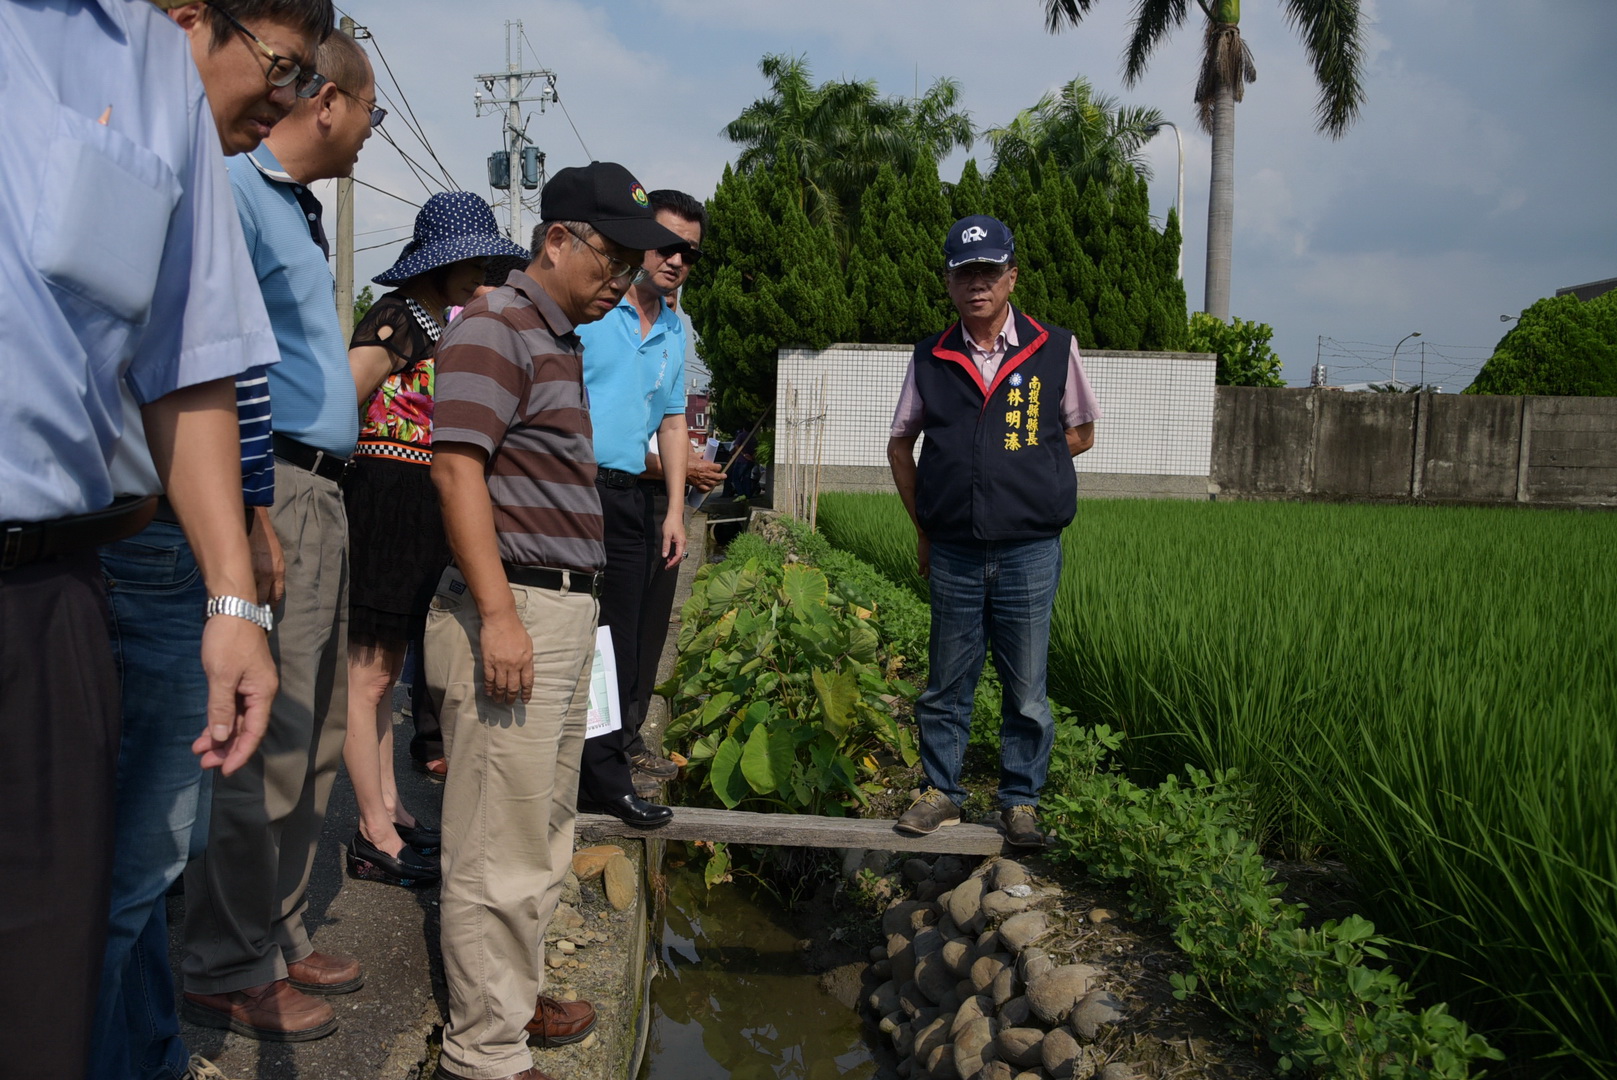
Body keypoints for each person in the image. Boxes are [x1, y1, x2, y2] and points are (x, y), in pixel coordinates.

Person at [0, 2, 283, 1077]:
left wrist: (232, 598)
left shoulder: (150, 64)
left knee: (41, 989)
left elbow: (190, 357)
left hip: (44, 597)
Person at [86, 1, 334, 1077]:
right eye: (279, 69)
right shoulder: (128, 134)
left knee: (149, 861)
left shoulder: (191, 168)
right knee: (129, 863)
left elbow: (210, 374)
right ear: (191, 22)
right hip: (120, 544)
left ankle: (141, 1049)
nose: (282, 101)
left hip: (177, 534)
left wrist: (240, 550)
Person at [427, 161, 683, 1080]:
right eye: (609, 258)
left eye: (629, 264)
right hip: (518, 605)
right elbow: (456, 468)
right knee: (497, 840)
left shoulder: (561, 337)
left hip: (563, 608)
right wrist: (497, 616)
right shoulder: (496, 326)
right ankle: (483, 1054)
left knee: (539, 828)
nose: (619, 280)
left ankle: (512, 998)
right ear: (558, 239)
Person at [180, 28, 378, 1042]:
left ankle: (280, 924)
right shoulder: (236, 190)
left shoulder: (295, 212)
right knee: (267, 733)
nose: (368, 135)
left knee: (319, 730)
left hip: (319, 486)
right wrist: (251, 503)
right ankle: (224, 958)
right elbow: (227, 362)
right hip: (278, 486)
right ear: (330, 100)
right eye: (371, 114)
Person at [886, 215, 1100, 849]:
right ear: (949, 283)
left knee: (1026, 685)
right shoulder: (932, 356)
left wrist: (1022, 468)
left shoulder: (1053, 347)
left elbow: (1081, 431)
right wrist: (926, 526)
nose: (976, 283)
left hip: (1031, 550)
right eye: (963, 272)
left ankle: (1020, 799)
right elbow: (902, 445)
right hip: (953, 548)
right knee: (947, 677)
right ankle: (941, 793)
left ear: (1011, 276)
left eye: (988, 271)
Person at [341, 191, 529, 888]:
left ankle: (391, 809)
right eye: (472, 261)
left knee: (385, 675)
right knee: (366, 679)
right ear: (441, 261)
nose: (480, 273)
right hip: (385, 510)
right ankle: (372, 829)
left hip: (418, 511)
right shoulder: (394, 322)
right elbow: (344, 393)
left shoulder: (430, 322)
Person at [574, 188, 711, 821]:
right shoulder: (594, 308)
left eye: (689, 252)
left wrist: (677, 511)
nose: (677, 260)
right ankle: (580, 769)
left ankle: (605, 768)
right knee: (577, 631)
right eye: (666, 244)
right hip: (570, 488)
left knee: (622, 638)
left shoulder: (676, 328)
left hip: (632, 497)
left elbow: (675, 422)